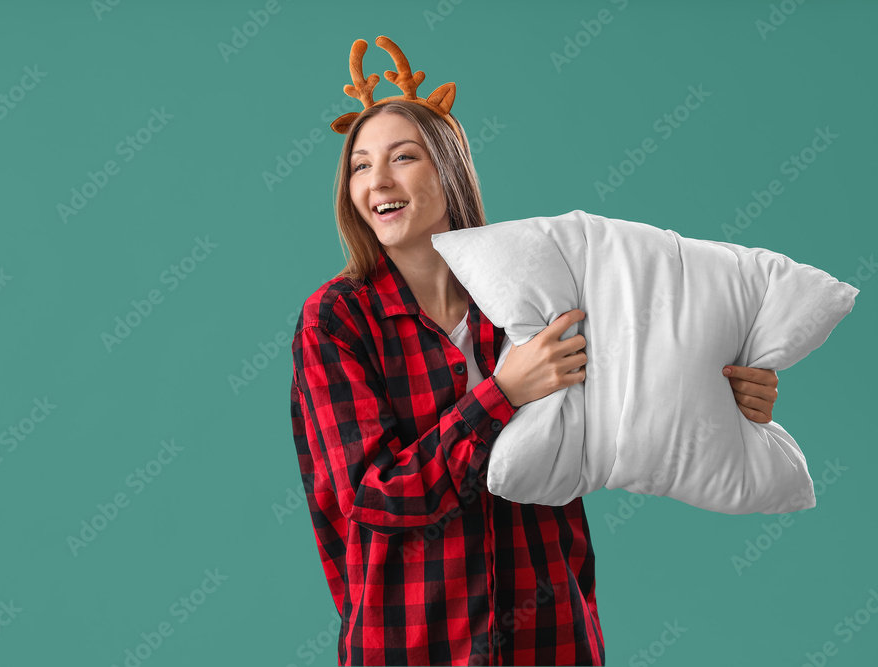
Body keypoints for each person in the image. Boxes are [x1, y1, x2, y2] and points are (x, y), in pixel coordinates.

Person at [288, 37, 779, 667]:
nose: (378, 180)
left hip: (552, 637)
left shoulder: (538, 289)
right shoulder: (337, 319)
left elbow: (644, 394)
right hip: (412, 644)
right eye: (359, 165)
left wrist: (732, 396)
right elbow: (375, 495)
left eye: (402, 157)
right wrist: (502, 395)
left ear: (449, 171)